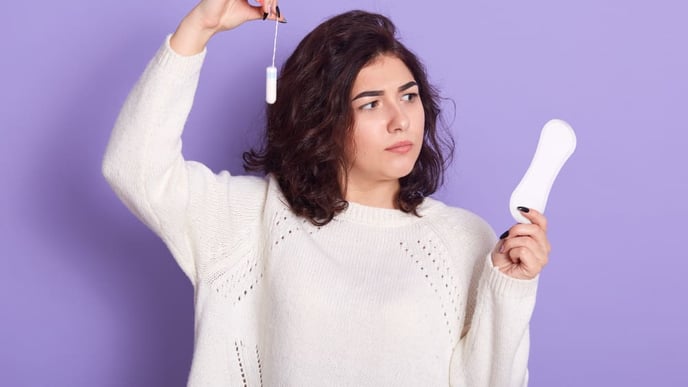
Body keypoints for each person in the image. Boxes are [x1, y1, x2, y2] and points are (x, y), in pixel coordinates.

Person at [103, 0, 551, 385]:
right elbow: (134, 168)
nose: (401, 120)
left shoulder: (464, 239)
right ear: (321, 121)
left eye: (409, 96)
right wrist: (199, 25)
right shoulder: (247, 219)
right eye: (371, 103)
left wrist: (508, 291)